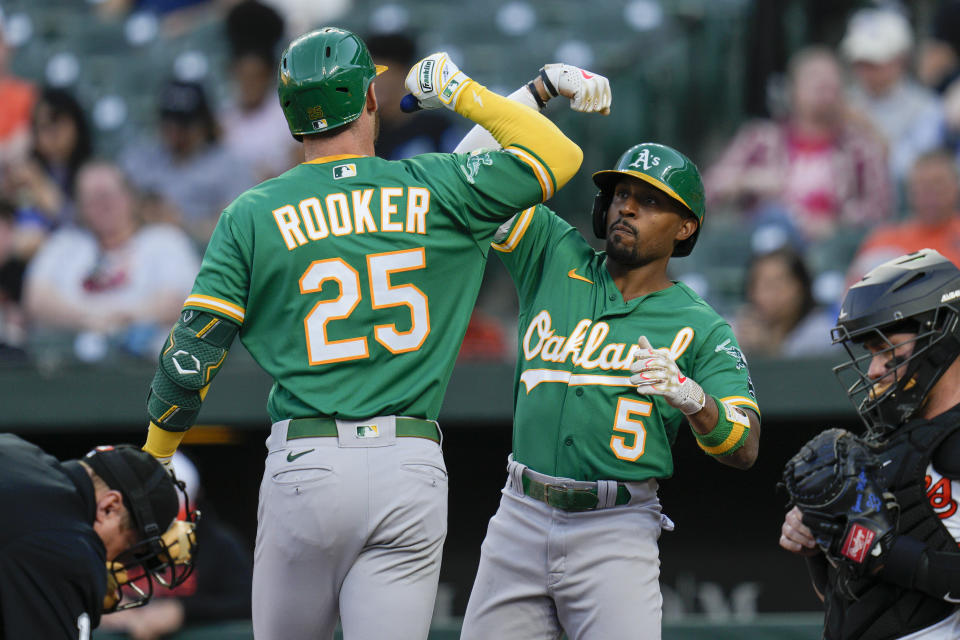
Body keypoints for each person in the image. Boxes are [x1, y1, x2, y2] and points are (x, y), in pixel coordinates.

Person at [139, 27, 589, 640]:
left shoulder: (251, 212)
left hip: (307, 460)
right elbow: (558, 156)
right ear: (371, 100)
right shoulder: (434, 186)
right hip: (410, 461)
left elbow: (191, 358)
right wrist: (459, 90)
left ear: (293, 120)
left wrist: (157, 459)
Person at [453, 78, 760, 640]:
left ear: (686, 226)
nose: (627, 208)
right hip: (518, 513)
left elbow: (744, 446)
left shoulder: (699, 325)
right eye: (621, 195)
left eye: (649, 202)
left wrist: (694, 400)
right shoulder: (550, 251)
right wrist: (537, 90)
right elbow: (464, 175)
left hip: (616, 528)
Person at [780, 248, 960, 639]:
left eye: (887, 349)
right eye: (871, 353)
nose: (874, 368)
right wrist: (820, 544)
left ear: (943, 334)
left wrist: (877, 551)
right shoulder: (886, 441)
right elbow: (858, 601)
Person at [0, 436, 195, 639]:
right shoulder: (70, 548)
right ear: (109, 507)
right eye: (129, 548)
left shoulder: (16, 448)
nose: (116, 563)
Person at [705, 45, 891, 245]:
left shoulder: (858, 148)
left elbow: (880, 210)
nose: (825, 87)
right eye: (815, 79)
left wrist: (834, 222)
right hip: (763, 247)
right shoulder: (760, 139)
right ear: (792, 89)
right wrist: (747, 179)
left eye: (832, 81)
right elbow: (707, 192)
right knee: (773, 220)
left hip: (830, 249)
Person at [23, 161, 199, 359]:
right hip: (69, 367)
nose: (102, 205)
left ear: (129, 196)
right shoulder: (64, 244)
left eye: (107, 195)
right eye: (90, 199)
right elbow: (37, 301)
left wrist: (121, 318)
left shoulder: (165, 240)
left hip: (148, 366)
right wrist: (89, 319)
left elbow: (179, 302)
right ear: (79, 206)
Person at [99, 451, 252, 639]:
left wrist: (182, 610)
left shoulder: (218, 544)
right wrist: (104, 606)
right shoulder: (104, 539)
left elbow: (249, 601)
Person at [119, 79, 255, 244]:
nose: (173, 130)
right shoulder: (143, 158)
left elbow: (242, 230)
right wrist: (142, 210)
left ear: (202, 124)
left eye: (182, 124)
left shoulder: (228, 165)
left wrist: (183, 225)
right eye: (168, 121)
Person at [841, 7, 944, 186]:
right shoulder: (842, 102)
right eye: (859, 62)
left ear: (900, 60)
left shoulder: (926, 107)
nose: (864, 71)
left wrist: (869, 131)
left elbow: (915, 173)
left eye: (873, 62)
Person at [846, 150, 960, 286]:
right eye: (922, 186)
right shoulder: (884, 242)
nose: (930, 194)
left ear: (955, 187)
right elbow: (853, 294)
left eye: (938, 184)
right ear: (909, 191)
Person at [367, 32, 463, 160]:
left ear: (404, 73)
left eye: (382, 74)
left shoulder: (436, 128)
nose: (376, 82)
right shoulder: (365, 131)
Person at [733, 247, 837, 358]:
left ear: (800, 288)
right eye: (756, 285)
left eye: (774, 285)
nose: (763, 294)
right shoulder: (737, 330)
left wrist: (769, 348)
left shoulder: (820, 330)